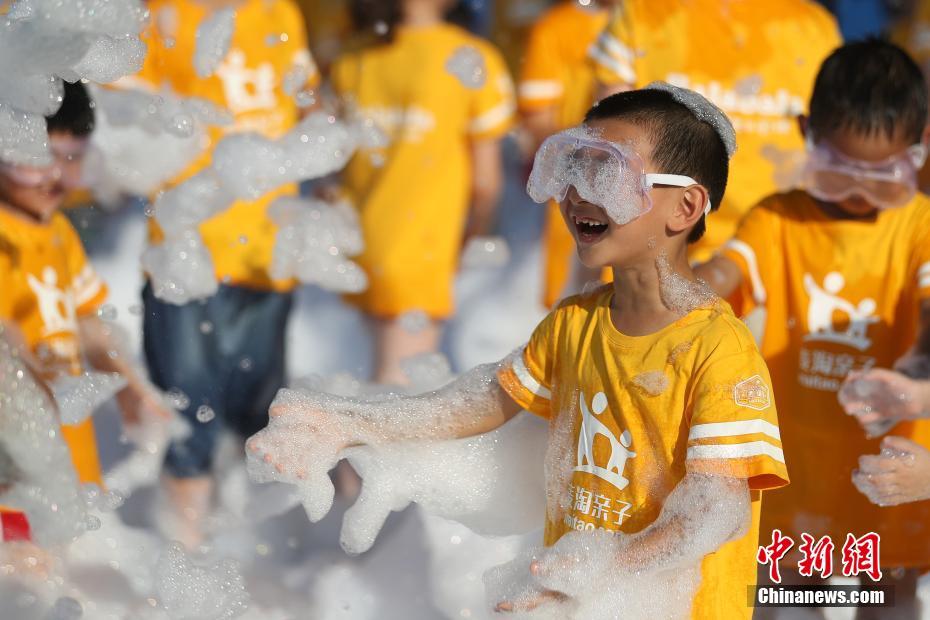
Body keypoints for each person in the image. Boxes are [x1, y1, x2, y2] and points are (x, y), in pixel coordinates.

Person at [250, 84, 788, 619]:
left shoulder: (718, 350)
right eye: (573, 168)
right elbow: (479, 403)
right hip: (575, 600)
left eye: (605, 172)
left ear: (685, 206)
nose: (576, 192)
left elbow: (711, 512)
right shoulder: (574, 323)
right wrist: (350, 422)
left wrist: (601, 575)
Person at [694, 40, 930, 616]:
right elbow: (726, 273)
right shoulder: (780, 219)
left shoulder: (920, 225)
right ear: (806, 134)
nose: (856, 193)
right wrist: (670, 289)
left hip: (890, 472)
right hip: (795, 467)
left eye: (881, 177)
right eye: (840, 170)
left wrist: (915, 373)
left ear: (919, 152)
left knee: (888, 598)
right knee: (780, 597)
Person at [126, 0, 320, 547]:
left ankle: (250, 559)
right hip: (185, 252)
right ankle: (181, 564)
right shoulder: (162, 12)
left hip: (266, 251)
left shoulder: (280, 11)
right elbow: (130, 124)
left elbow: (306, 110)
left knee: (254, 417)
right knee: (188, 417)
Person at [331, 0, 514, 385]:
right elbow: (486, 182)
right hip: (424, 242)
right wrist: (475, 233)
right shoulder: (471, 57)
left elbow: (333, 160)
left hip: (362, 236)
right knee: (398, 386)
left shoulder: (353, 55)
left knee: (380, 371)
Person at [0, 81, 171, 490]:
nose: (56, 177)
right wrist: (33, 398)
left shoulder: (59, 231)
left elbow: (86, 321)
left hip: (67, 456)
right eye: (37, 160)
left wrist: (126, 384)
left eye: (74, 157)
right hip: (15, 458)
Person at [583, 0, 840, 270]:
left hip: (777, 260)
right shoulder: (640, 14)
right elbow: (610, 151)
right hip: (660, 259)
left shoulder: (814, 27)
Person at [517, 0, 619, 308]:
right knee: (578, 305)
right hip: (576, 191)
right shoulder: (558, 27)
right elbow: (537, 120)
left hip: (641, 195)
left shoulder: (671, 21)